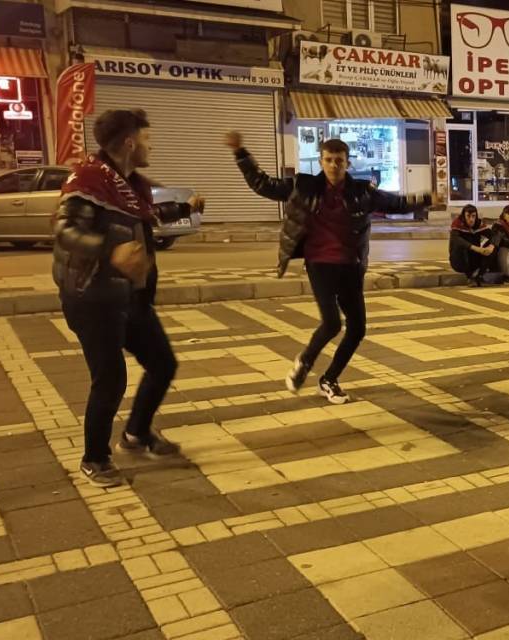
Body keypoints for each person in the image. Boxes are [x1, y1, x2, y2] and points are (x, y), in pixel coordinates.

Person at [53, 109, 205, 487]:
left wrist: (185, 208)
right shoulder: (87, 180)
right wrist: (110, 251)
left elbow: (145, 216)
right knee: (110, 380)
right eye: (147, 139)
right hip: (93, 297)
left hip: (131, 296)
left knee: (163, 363)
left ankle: (136, 434)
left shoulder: (129, 184)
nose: (151, 146)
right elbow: (65, 231)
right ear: (129, 143)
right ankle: (94, 458)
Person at [227, 131, 430, 404]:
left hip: (350, 267)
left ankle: (329, 379)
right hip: (320, 264)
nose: (334, 165)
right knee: (332, 323)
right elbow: (263, 185)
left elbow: (396, 203)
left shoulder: (362, 192)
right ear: (321, 161)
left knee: (357, 328)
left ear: (348, 163)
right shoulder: (304, 186)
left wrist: (427, 198)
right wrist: (241, 153)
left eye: (339, 160)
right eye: (329, 160)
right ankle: (305, 361)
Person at [450, 204, 495, 286]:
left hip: (474, 257)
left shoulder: (479, 224)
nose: (471, 219)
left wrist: (491, 246)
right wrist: (475, 248)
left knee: (492, 245)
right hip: (460, 260)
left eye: (473, 216)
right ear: (464, 216)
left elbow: (494, 236)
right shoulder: (457, 224)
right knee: (461, 245)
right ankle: (470, 276)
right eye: (468, 216)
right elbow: (456, 240)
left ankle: (479, 276)